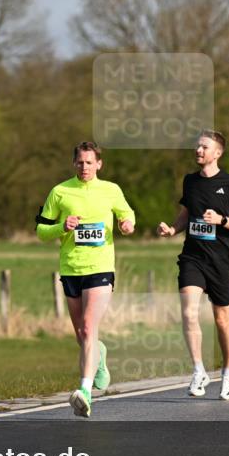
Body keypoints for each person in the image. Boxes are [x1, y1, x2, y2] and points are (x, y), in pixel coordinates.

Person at [36, 141, 135, 417]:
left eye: (89, 162)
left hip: (100, 267)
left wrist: (127, 225)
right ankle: (100, 359)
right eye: (80, 162)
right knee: (82, 334)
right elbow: (41, 231)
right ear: (74, 163)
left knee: (90, 328)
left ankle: (85, 392)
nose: (84, 167)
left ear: (99, 164)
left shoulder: (111, 190)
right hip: (71, 270)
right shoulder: (60, 192)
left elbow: (127, 214)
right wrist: (60, 226)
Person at [157, 130, 229, 400]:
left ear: (217, 153)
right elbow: (186, 214)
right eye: (197, 146)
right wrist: (172, 229)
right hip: (193, 257)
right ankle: (199, 371)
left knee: (222, 318)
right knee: (188, 313)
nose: (198, 150)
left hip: (221, 260)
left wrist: (221, 220)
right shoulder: (190, 182)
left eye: (204, 147)